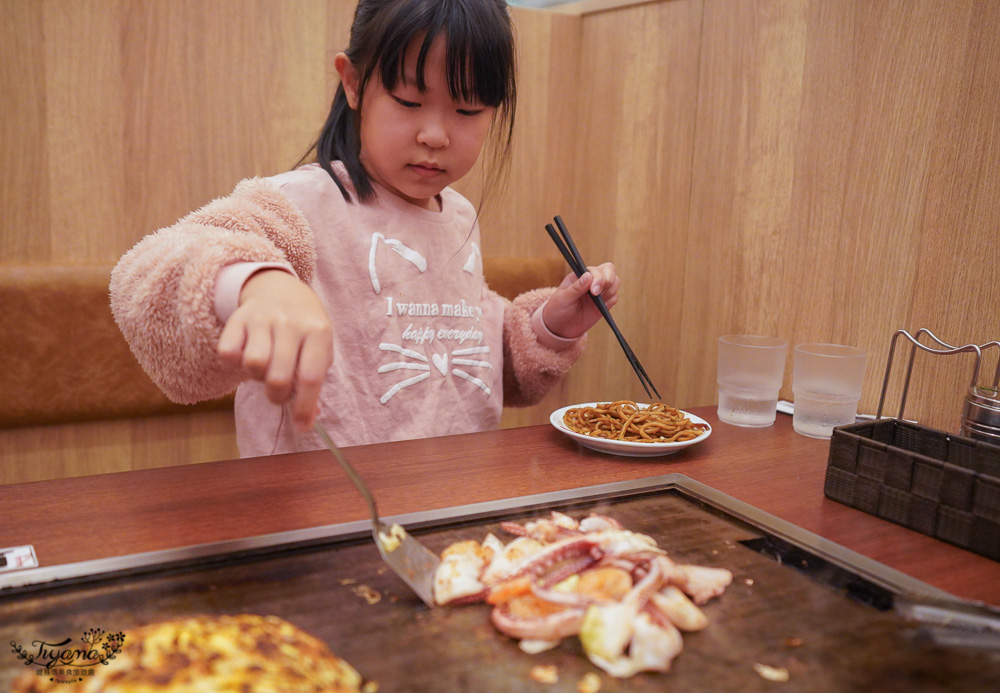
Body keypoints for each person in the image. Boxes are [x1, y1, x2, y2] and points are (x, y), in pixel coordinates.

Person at [110, 0, 620, 457]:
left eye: (467, 110)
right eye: (407, 101)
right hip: (321, 521)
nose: (435, 134)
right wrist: (254, 283)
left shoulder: (459, 215)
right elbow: (146, 275)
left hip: (455, 505)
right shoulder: (300, 205)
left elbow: (468, 361)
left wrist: (550, 327)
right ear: (353, 83)